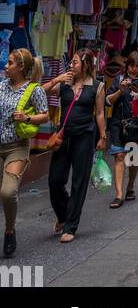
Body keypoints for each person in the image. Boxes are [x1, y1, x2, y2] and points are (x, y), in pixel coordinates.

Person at [44, 51, 107, 243]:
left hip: (85, 138)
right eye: (71, 62)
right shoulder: (64, 84)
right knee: (55, 180)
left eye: (76, 62)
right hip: (63, 137)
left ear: (86, 65)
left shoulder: (97, 86)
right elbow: (40, 91)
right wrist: (57, 79)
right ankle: (63, 215)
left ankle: (70, 226)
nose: (71, 65)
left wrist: (102, 136)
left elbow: (99, 113)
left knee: (79, 182)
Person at [0, 48, 49, 257]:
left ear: (20, 67)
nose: (5, 66)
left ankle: (10, 230)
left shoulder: (34, 90)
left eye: (9, 63)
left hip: (17, 147)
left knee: (8, 192)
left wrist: (27, 118)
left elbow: (45, 115)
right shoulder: (1, 86)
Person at [106, 50, 138, 208]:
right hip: (118, 124)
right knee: (119, 156)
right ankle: (118, 194)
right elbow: (108, 101)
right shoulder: (119, 79)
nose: (133, 69)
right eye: (131, 66)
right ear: (127, 66)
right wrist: (120, 90)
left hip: (136, 126)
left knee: (132, 158)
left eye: (137, 66)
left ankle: (130, 186)